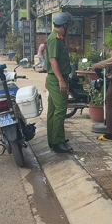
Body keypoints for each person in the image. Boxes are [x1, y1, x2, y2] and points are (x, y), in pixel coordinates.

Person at [45, 12, 73, 153]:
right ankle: (58, 141)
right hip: (57, 79)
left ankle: (53, 140)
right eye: (69, 25)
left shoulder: (57, 38)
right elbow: (53, 60)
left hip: (54, 78)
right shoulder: (54, 39)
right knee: (61, 110)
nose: (70, 28)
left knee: (53, 110)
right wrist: (61, 80)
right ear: (64, 25)